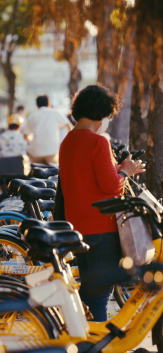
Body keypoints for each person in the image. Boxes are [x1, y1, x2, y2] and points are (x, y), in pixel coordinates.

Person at [59, 84, 145, 321]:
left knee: (88, 292)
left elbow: (84, 177)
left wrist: (119, 169)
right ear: (101, 113)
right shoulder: (98, 142)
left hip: (77, 225)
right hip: (102, 227)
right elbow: (110, 186)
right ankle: (96, 345)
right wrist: (125, 172)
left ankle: (88, 341)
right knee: (98, 295)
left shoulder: (68, 140)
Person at [21, 95, 72, 164]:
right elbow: (67, 125)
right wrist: (69, 140)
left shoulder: (31, 117)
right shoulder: (54, 112)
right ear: (49, 104)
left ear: (37, 105)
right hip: (51, 151)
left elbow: (25, 136)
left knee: (35, 171)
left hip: (36, 151)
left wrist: (33, 139)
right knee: (54, 171)